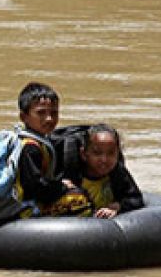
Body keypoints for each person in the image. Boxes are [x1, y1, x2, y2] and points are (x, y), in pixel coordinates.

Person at [13, 82, 75, 217]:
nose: (49, 119)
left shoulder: (37, 141)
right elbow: (35, 188)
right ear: (24, 117)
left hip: (26, 201)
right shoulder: (30, 148)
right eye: (41, 113)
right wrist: (62, 187)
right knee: (80, 201)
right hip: (24, 209)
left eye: (54, 113)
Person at [59, 124, 143, 219]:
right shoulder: (71, 175)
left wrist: (118, 206)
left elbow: (136, 199)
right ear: (84, 154)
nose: (104, 159)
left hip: (106, 229)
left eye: (111, 153)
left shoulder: (117, 173)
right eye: (97, 153)